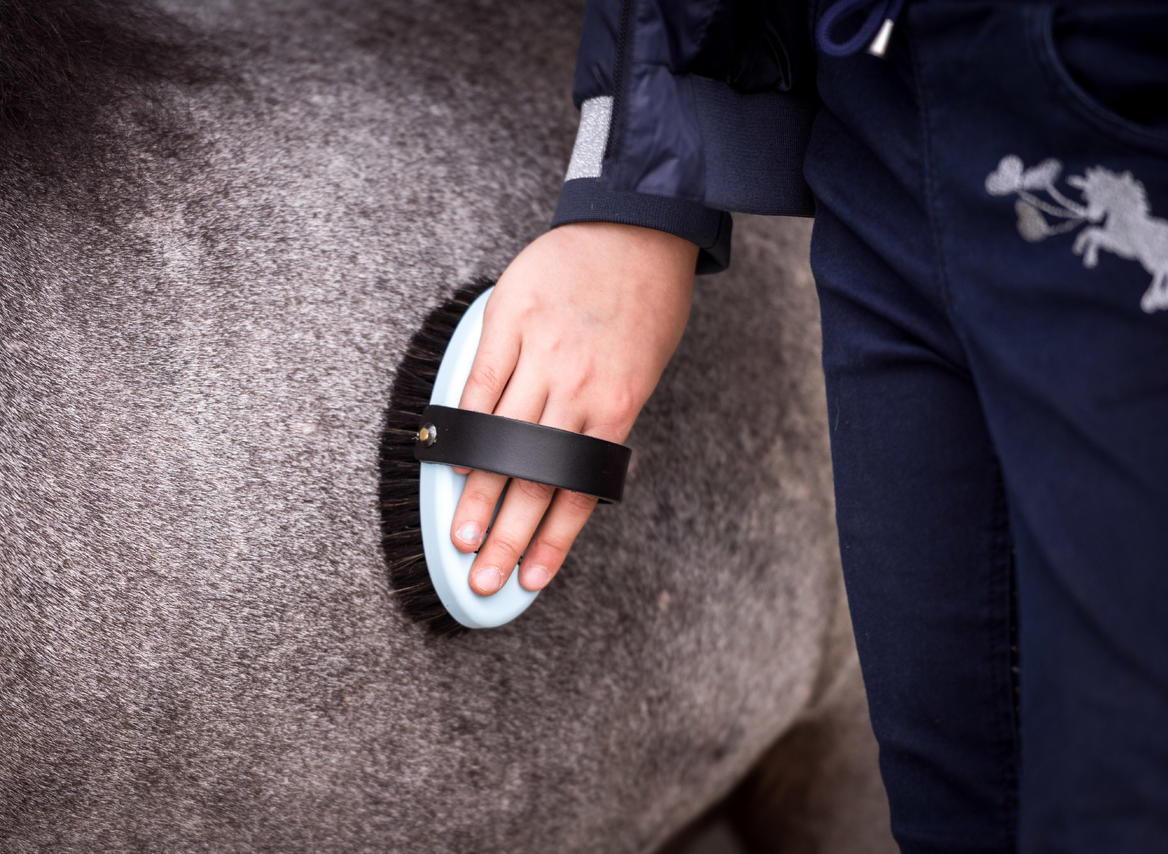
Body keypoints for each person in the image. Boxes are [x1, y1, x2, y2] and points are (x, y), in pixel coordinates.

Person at [447, 1, 1168, 851]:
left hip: (1124, 101)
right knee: (954, 812)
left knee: (1121, 803)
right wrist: (639, 189)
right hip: (879, 101)